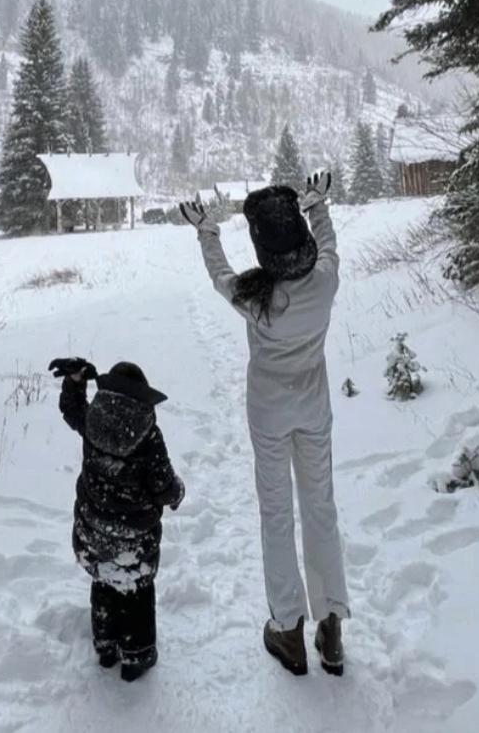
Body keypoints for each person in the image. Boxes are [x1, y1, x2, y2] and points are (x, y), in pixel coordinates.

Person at [180, 172, 348, 677]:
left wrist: (207, 231)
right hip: (314, 410)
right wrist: (318, 205)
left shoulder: (255, 299)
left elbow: (219, 275)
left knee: (277, 517)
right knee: (321, 510)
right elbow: (331, 246)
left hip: (269, 415)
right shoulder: (325, 282)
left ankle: (288, 630)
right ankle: (332, 626)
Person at [49, 356, 185, 682]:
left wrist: (75, 381)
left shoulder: (94, 419)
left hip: (92, 531)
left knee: (103, 581)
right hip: (134, 541)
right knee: (136, 590)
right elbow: (164, 486)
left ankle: (106, 645)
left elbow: (71, 409)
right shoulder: (149, 436)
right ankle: (136, 657)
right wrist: (177, 493)